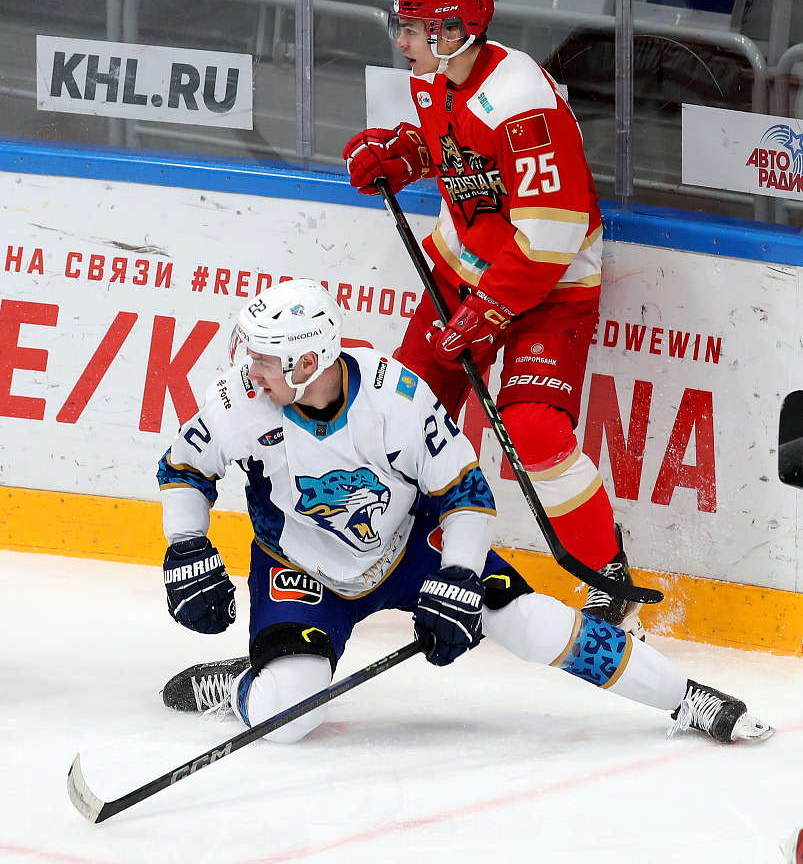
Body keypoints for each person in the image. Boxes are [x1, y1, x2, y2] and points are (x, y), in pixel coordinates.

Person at [157, 279, 772, 747]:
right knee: (288, 718)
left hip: (408, 546)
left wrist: (457, 576)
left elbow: (467, 494)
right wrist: (186, 543)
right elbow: (183, 467)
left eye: (265, 359)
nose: (251, 370)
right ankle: (243, 684)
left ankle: (685, 697)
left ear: (308, 362)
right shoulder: (238, 402)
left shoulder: (395, 399)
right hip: (298, 566)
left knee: (530, 622)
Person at [342, 0, 642, 634]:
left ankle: (608, 576)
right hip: (464, 271)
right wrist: (406, 155)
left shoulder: (521, 101)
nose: (402, 40)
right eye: (402, 24)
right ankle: (390, 555)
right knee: (403, 416)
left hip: (549, 284)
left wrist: (489, 310)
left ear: (456, 30)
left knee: (533, 431)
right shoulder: (434, 74)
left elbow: (553, 231)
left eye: (415, 27)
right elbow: (458, 149)